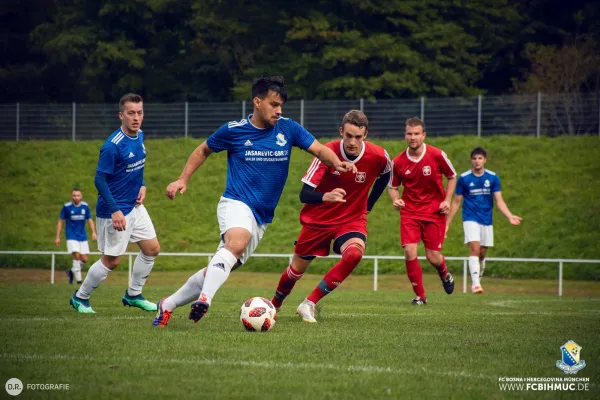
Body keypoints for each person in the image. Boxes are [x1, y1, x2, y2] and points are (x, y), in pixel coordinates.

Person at [153, 76, 357, 327]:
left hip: (262, 216)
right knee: (236, 243)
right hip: (236, 202)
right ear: (257, 102)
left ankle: (168, 304)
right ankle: (206, 298)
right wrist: (182, 179)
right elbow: (203, 150)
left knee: (223, 265)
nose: (278, 110)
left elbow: (318, 149)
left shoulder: (289, 128)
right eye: (273, 105)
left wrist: (336, 162)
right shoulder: (233, 130)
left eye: (281, 105)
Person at [269, 110, 392, 323]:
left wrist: (368, 205)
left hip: (351, 219)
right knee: (295, 271)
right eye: (349, 136)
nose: (353, 142)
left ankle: (309, 303)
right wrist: (327, 196)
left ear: (365, 135)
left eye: (358, 137)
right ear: (341, 131)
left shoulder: (378, 156)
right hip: (318, 220)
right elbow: (304, 195)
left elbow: (386, 173)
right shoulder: (327, 153)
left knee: (354, 255)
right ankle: (274, 305)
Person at [69, 93, 160, 314]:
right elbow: (99, 180)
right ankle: (80, 297)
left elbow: (137, 166)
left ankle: (133, 295)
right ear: (121, 115)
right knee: (112, 261)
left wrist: (143, 185)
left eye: (139, 113)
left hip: (135, 206)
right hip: (115, 209)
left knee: (152, 249)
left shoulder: (140, 136)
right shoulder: (112, 146)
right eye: (131, 113)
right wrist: (115, 210)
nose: (136, 118)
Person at [388, 117, 456, 305]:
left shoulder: (437, 155)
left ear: (423, 135)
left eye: (417, 133)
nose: (413, 137)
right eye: (409, 133)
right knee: (410, 251)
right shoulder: (398, 161)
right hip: (410, 212)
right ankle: (421, 296)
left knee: (433, 257)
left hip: (434, 212)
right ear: (405, 135)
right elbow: (393, 187)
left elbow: (452, 176)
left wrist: (447, 201)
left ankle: (444, 273)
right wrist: (396, 200)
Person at [445, 147, 522, 293]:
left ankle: (477, 277)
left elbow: (499, 200)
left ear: (485, 160)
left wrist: (510, 215)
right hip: (470, 218)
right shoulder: (464, 178)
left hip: (487, 219)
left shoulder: (493, 178)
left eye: (480, 158)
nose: (477, 161)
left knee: (482, 252)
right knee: (474, 248)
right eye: (474, 158)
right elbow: (456, 202)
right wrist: (447, 223)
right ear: (471, 160)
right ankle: (475, 285)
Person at [55, 188, 97, 284]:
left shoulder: (85, 207)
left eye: (78, 195)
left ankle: (71, 271)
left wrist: (94, 232)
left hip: (82, 236)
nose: (76, 197)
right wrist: (57, 237)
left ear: (81, 196)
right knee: (77, 256)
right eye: (74, 195)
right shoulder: (67, 207)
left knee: (84, 259)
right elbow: (61, 221)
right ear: (71, 196)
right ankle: (79, 281)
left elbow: (90, 220)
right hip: (71, 236)